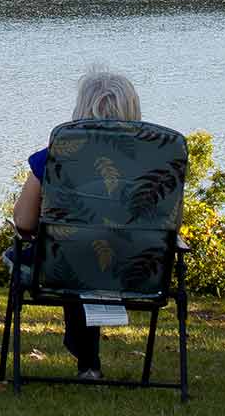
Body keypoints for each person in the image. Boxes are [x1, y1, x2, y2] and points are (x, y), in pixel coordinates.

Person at [10, 69, 144, 381]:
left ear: (81, 110)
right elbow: (169, 226)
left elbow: (24, 221)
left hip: (61, 269)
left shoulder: (56, 155)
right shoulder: (159, 158)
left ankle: (87, 362)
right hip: (136, 270)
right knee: (88, 254)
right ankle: (89, 363)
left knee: (68, 251)